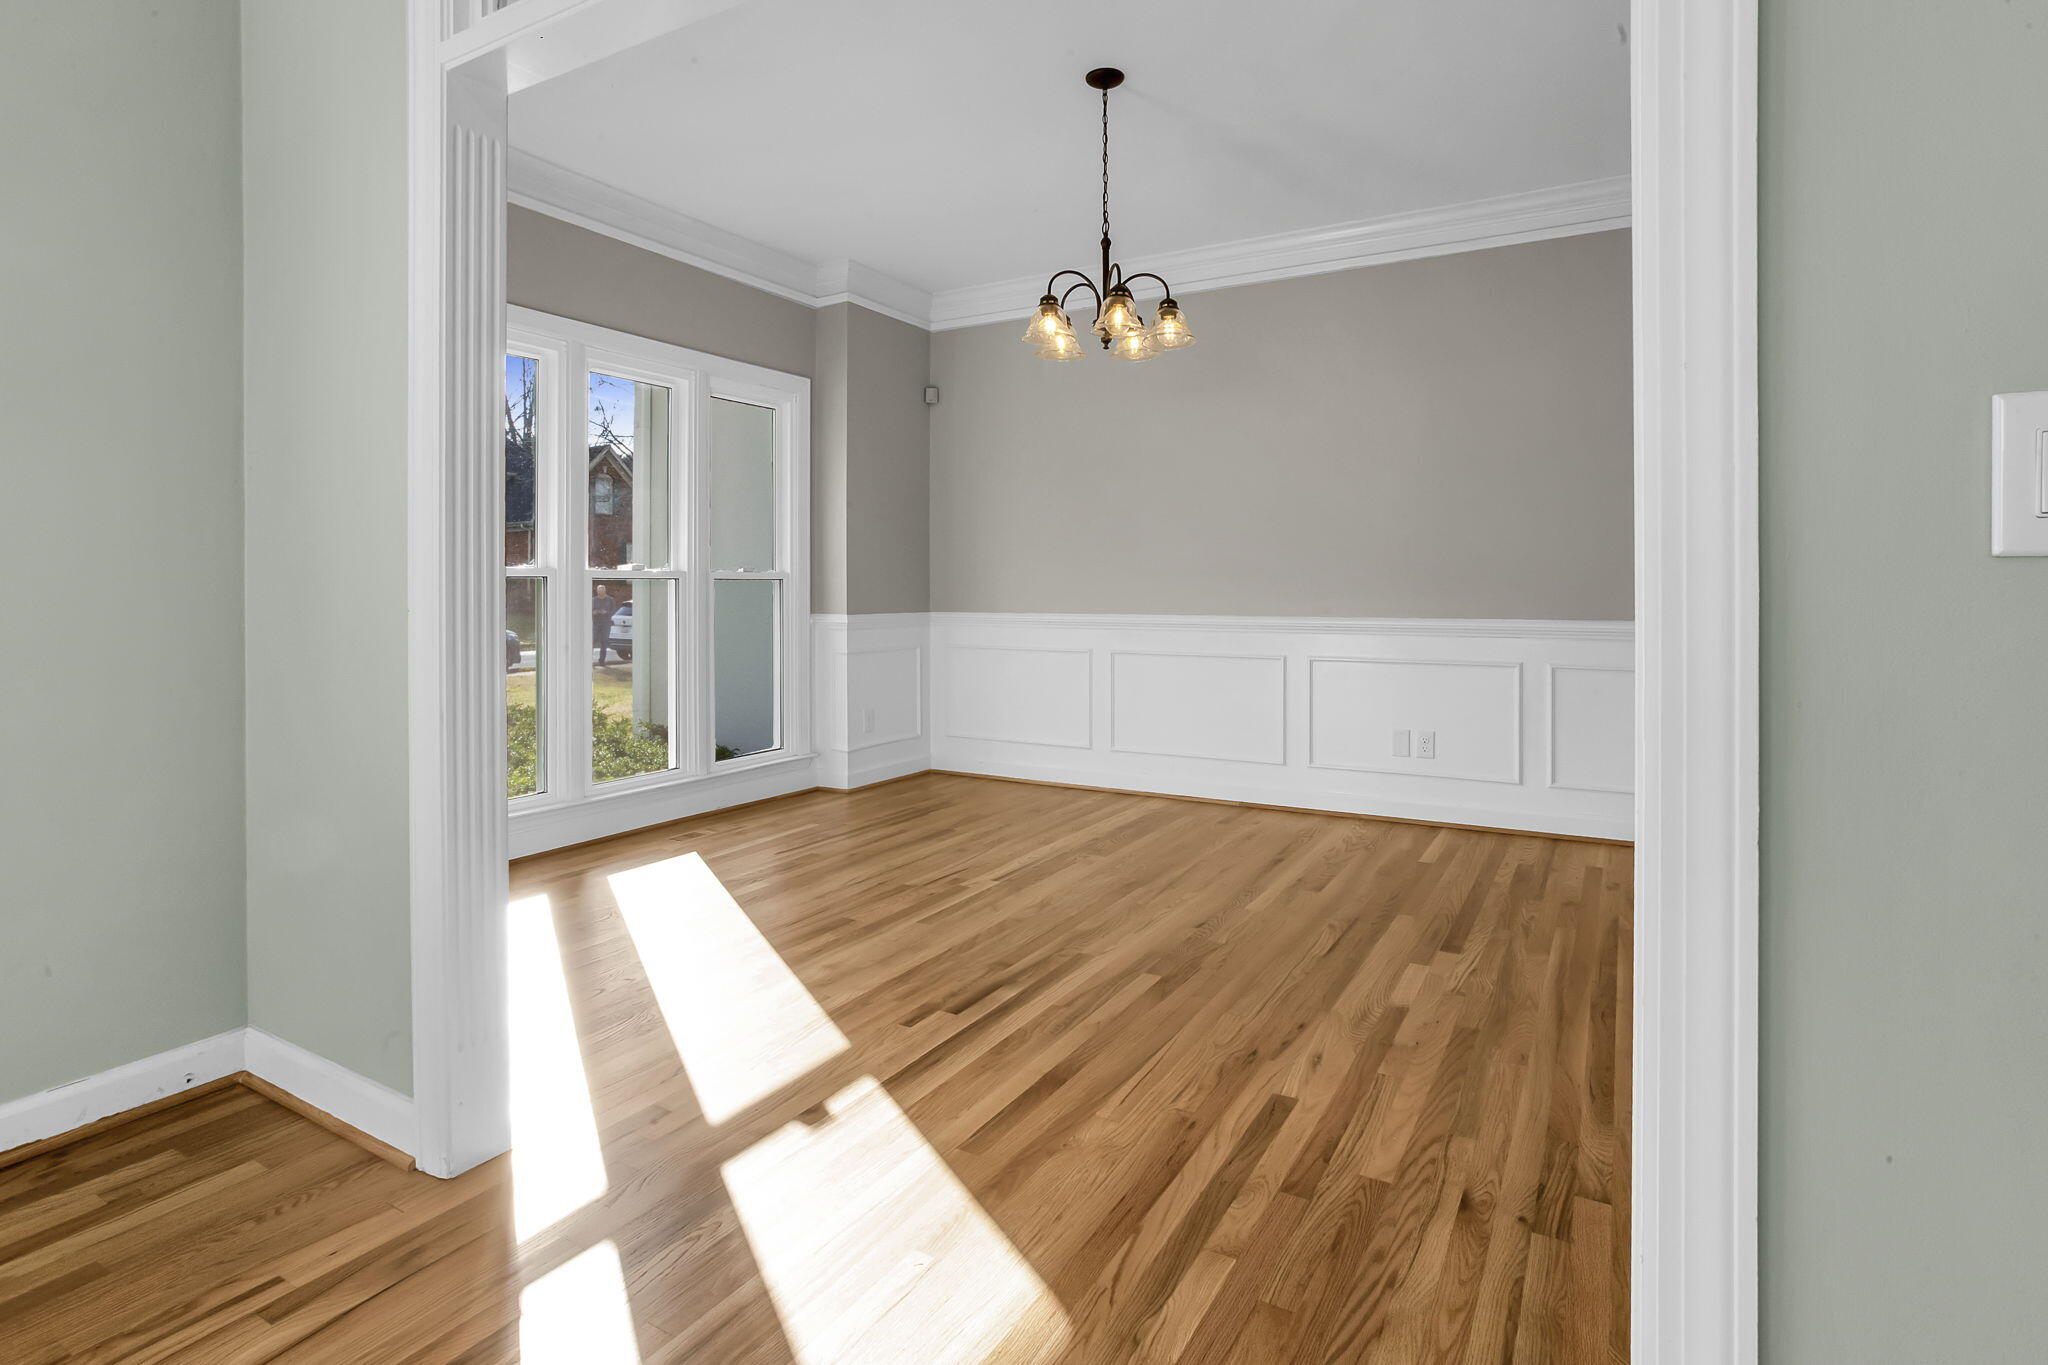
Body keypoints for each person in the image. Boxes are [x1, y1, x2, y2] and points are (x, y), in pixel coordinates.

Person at [592, 584, 620, 664]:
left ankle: (602, 660)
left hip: (606, 623)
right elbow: (589, 609)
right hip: (595, 622)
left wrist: (606, 612)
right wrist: (594, 612)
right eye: (598, 591)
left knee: (604, 641)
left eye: (601, 591)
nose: (600, 593)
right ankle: (589, 660)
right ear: (597, 591)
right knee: (592, 640)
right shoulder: (594, 600)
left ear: (605, 591)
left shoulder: (610, 599)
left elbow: (613, 611)